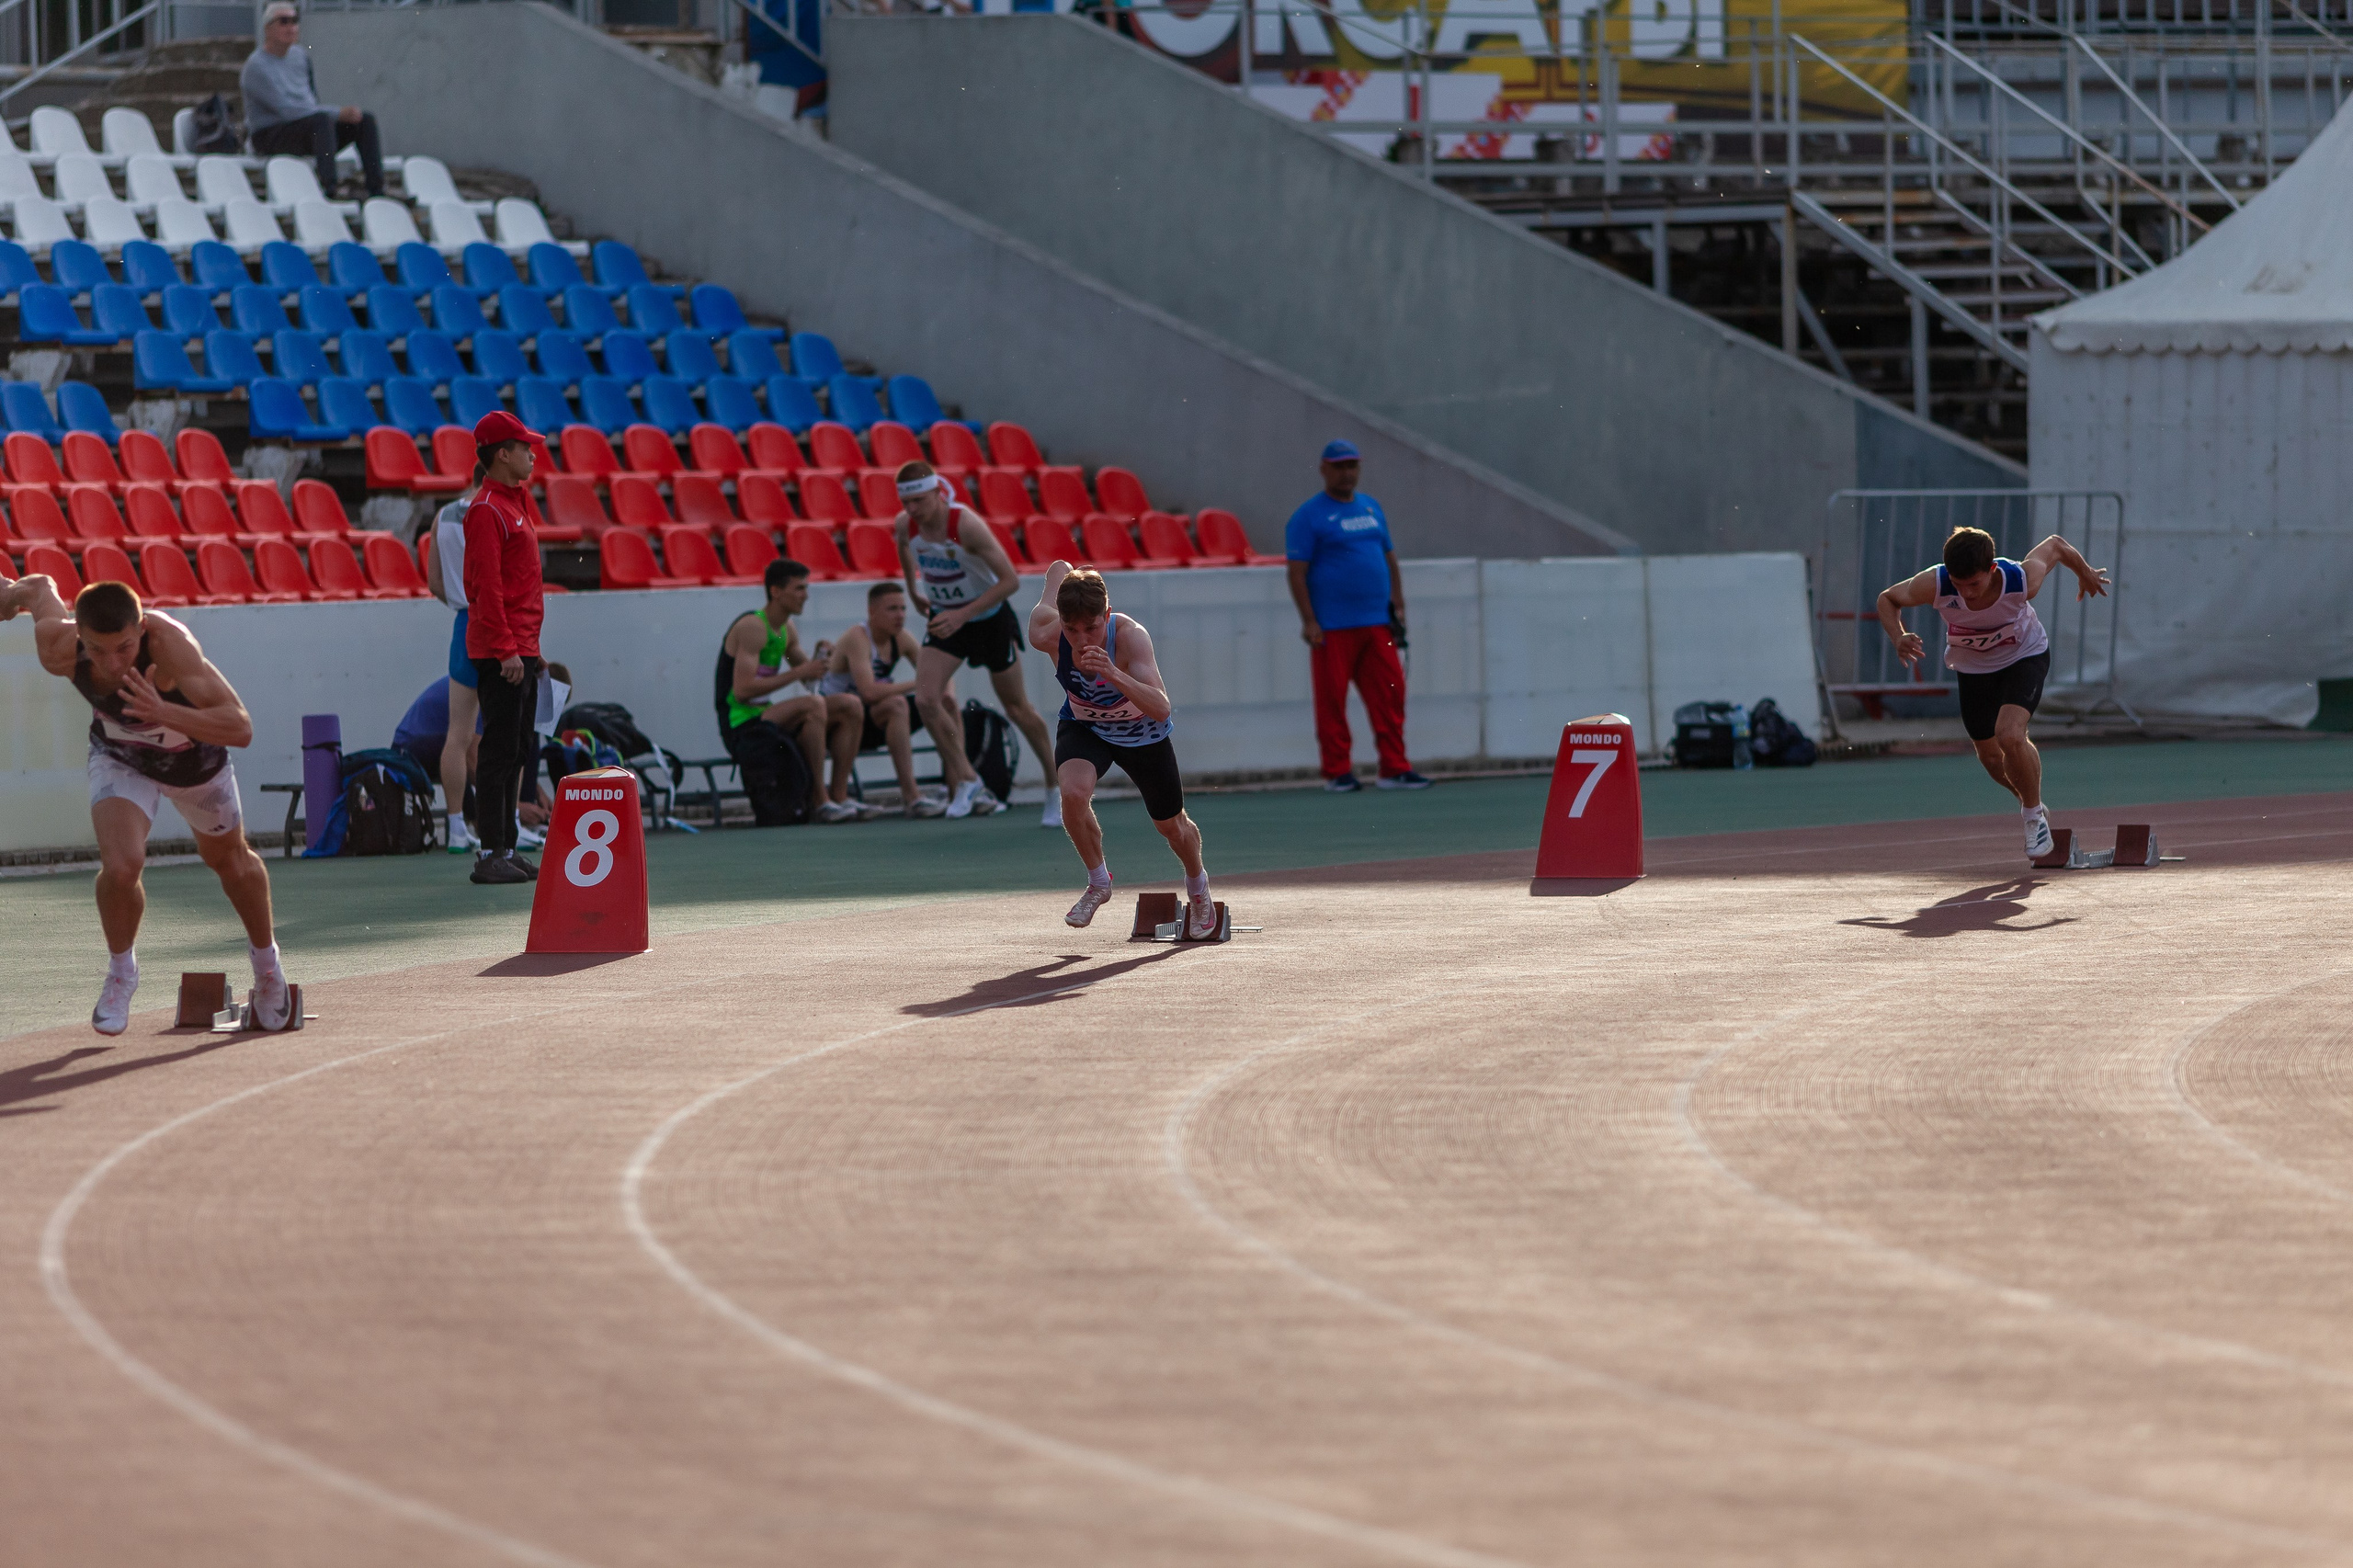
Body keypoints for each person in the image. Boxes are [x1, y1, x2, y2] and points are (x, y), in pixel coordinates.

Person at [0, 574, 290, 1036]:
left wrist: (163, 711)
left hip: (193, 761)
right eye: (97, 650)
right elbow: (40, 591)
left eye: (125, 649)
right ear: (80, 636)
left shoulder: (169, 643)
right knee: (121, 866)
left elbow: (239, 726)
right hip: (121, 757)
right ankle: (121, 971)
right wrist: (11, 595)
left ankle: (268, 967)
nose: (112, 663)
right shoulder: (59, 647)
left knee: (230, 862)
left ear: (141, 632)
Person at [1879, 526, 2110, 859]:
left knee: (2010, 735)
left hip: (2024, 657)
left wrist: (2085, 572)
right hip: (1974, 670)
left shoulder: (2021, 581)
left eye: (1974, 584)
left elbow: (2055, 546)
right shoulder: (1936, 582)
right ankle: (2031, 803)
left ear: (1992, 570)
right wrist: (1897, 636)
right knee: (1990, 757)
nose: (1967, 594)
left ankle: (2032, 818)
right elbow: (1887, 598)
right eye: (1959, 585)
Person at [1025, 562, 1217, 937]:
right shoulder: (1045, 633)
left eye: (1092, 628)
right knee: (1073, 793)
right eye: (1072, 629)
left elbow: (1160, 706)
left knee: (1171, 826)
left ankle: (1198, 888)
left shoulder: (1131, 636)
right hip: (1086, 726)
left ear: (1107, 616)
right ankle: (1099, 881)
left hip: (1142, 732)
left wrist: (1113, 672)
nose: (1082, 640)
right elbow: (1054, 576)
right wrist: (1063, 571)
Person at [892, 460, 1054, 824]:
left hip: (987, 619)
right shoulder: (906, 524)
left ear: (938, 493)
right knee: (927, 700)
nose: (913, 510)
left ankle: (1055, 786)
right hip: (947, 619)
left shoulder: (964, 525)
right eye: (907, 503)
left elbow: (1010, 581)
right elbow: (903, 546)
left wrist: (963, 614)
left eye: (919, 500)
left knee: (1017, 708)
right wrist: (913, 590)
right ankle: (966, 778)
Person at [1284, 439, 1430, 792]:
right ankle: (1338, 772)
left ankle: (1394, 768)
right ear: (1324, 469)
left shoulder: (1371, 508)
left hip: (1377, 622)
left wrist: (1398, 604)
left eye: (1352, 466)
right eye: (1339, 466)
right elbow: (1296, 572)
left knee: (1390, 695)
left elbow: (1389, 559)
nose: (1347, 473)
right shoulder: (1308, 516)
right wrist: (1309, 620)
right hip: (1333, 626)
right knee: (1332, 701)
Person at [460, 411, 547, 885]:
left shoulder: (510, 503)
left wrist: (530, 648)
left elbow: (512, 586)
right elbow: (486, 588)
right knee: (499, 750)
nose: (532, 454)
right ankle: (491, 848)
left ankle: (504, 846)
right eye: (524, 446)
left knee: (515, 749)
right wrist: (507, 649)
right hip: (504, 651)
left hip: (517, 647)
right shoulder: (489, 509)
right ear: (502, 454)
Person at [722, 558, 860, 818]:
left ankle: (839, 796)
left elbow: (810, 681)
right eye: (799, 589)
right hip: (740, 722)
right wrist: (798, 672)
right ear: (776, 591)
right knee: (813, 705)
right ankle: (820, 800)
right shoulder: (753, 626)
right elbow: (742, 691)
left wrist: (822, 659)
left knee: (849, 705)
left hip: (765, 714)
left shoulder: (787, 628)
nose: (806, 596)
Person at [240, 4, 386, 199]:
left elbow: (311, 101)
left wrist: (339, 116)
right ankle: (330, 187)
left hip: (304, 128)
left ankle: (376, 189)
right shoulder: (256, 67)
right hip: (269, 134)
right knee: (321, 121)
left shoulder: (300, 57)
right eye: (283, 21)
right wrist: (338, 113)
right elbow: (286, 111)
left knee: (364, 121)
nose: (291, 27)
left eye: (294, 21)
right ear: (268, 28)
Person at [817, 581, 932, 817]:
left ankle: (960, 786)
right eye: (892, 609)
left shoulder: (901, 638)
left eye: (903, 609)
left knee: (939, 704)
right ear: (871, 612)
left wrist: (943, 692)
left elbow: (935, 671)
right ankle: (910, 796)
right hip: (835, 722)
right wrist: (918, 684)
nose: (900, 616)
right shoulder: (857, 637)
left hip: (865, 717)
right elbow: (868, 692)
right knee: (896, 704)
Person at [422, 483, 479, 854]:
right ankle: (507, 824)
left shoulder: (442, 515)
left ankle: (457, 825)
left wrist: (461, 605)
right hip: (494, 623)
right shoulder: (497, 508)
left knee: (458, 735)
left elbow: (434, 583)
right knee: (503, 737)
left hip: (464, 623)